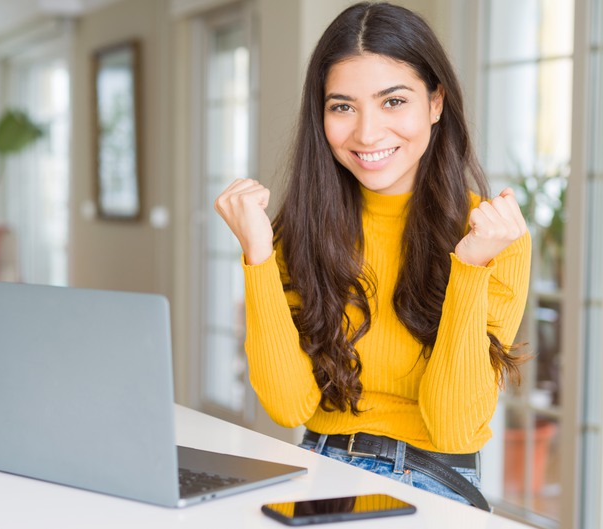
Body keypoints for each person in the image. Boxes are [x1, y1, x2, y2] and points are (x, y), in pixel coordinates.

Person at [214, 1, 530, 510]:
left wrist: (468, 270)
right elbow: (289, 405)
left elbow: (452, 427)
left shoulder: (491, 235)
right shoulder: (298, 233)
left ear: (435, 103)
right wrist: (257, 255)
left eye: (393, 101)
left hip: (431, 477)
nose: (366, 133)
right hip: (315, 467)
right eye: (342, 106)